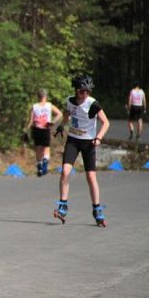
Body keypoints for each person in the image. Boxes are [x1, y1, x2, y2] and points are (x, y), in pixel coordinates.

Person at [53, 74, 110, 227]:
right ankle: (63, 206)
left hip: (89, 143)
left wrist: (98, 138)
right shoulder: (70, 101)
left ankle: (97, 209)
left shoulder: (93, 104)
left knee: (91, 177)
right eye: (82, 91)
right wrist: (61, 126)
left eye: (88, 92)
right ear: (76, 90)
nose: (85, 94)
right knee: (65, 171)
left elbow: (105, 122)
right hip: (73, 141)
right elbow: (67, 114)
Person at [24, 88, 63, 176]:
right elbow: (60, 114)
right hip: (46, 128)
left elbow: (31, 121)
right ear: (45, 96)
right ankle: (45, 161)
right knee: (46, 148)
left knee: (38, 148)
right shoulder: (49, 105)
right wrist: (52, 121)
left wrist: (26, 131)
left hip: (36, 129)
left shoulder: (34, 106)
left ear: (38, 96)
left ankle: (39, 166)